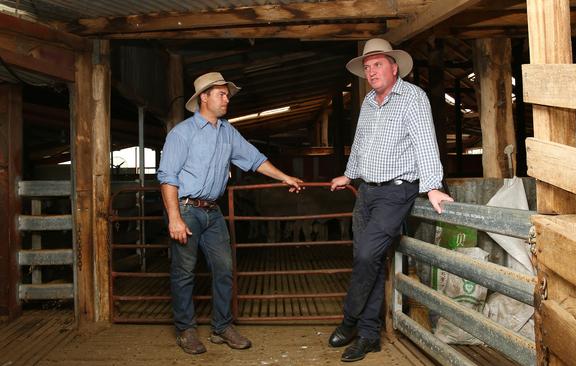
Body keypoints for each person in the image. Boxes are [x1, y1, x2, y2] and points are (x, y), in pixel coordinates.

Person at [157, 72, 303, 355]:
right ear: (204, 98)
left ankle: (221, 327)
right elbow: (167, 177)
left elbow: (254, 159)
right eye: (221, 94)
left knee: (224, 268)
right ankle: (186, 330)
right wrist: (174, 218)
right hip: (185, 209)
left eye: (226, 94)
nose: (227, 99)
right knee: (184, 271)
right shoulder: (181, 133)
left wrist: (284, 177)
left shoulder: (228, 132)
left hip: (212, 211)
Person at [329, 38, 454, 362]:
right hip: (367, 191)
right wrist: (349, 173)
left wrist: (432, 186)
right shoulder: (369, 101)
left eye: (378, 64)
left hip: (396, 191)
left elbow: (425, 144)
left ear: (394, 67)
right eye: (367, 67)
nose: (371, 71)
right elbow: (360, 144)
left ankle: (349, 321)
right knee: (366, 261)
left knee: (367, 254)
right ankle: (369, 335)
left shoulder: (413, 98)